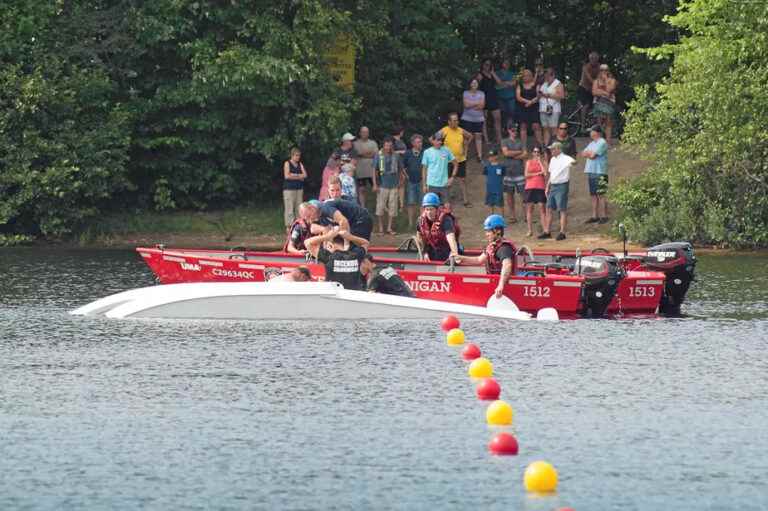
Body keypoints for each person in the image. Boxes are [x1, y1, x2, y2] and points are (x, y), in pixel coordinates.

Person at [454, 214, 516, 298]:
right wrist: (460, 258)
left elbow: (507, 265)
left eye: (489, 231)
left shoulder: (504, 248)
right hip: (493, 283)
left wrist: (501, 285)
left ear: (498, 231)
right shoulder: (492, 246)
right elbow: (479, 260)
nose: (486, 234)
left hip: (503, 288)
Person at [304, 226, 369, 290]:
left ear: (330, 245)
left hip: (335, 297)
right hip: (353, 297)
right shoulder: (356, 255)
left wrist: (327, 236)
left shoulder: (328, 257)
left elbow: (307, 242)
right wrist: (350, 237)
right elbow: (365, 243)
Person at [541, 142, 575, 240]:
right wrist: (548, 186)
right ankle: (547, 231)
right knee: (549, 208)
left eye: (553, 149)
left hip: (562, 185)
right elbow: (552, 174)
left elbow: (574, 162)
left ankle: (562, 232)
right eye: (551, 149)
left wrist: (567, 165)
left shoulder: (565, 158)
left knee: (562, 209)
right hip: (554, 185)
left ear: (559, 149)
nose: (551, 151)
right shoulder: (552, 159)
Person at [299, 197, 374, 241]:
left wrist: (346, 245)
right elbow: (324, 232)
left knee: (352, 245)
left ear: (312, 208)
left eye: (309, 216)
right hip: (353, 222)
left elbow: (343, 221)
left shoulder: (325, 208)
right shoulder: (318, 216)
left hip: (362, 218)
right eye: (307, 219)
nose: (309, 220)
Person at [415, 192, 461, 262]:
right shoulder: (420, 220)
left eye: (431, 209)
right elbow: (420, 238)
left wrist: (454, 253)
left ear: (437, 209)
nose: (429, 212)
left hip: (447, 250)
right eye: (427, 209)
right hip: (432, 250)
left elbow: (450, 237)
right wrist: (425, 252)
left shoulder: (445, 219)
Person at [441, 112, 473, 208]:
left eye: (457, 120)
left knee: (462, 180)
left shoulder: (460, 130)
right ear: (449, 122)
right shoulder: (444, 130)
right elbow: (432, 139)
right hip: (448, 161)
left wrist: (466, 145)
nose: (456, 122)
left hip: (460, 159)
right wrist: (439, 151)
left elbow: (470, 136)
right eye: (454, 120)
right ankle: (446, 201)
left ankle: (466, 201)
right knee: (448, 181)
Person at [373, 137, 404, 235]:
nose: (388, 147)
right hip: (382, 185)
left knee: (393, 207)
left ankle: (389, 228)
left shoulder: (396, 156)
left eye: (390, 145)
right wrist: (374, 184)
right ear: (383, 145)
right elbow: (374, 170)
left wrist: (400, 181)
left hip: (394, 185)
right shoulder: (379, 156)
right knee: (380, 207)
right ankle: (381, 228)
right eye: (386, 145)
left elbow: (400, 169)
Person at [581, 125, 610, 224]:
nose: (590, 133)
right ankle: (595, 216)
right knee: (593, 195)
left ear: (596, 132)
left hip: (600, 172)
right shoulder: (592, 143)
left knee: (601, 194)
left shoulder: (602, 142)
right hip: (591, 171)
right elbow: (582, 153)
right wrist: (589, 153)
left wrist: (589, 153)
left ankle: (604, 216)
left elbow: (593, 156)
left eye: (591, 131)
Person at [501, 121, 527, 224]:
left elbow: (525, 155)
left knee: (523, 194)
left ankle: (526, 215)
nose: (514, 132)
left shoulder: (521, 142)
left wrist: (512, 155)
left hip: (519, 171)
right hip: (508, 172)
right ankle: (512, 215)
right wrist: (519, 152)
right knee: (509, 194)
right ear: (508, 131)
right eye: (512, 130)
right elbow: (505, 153)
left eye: (516, 130)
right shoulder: (504, 141)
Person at [421, 131, 457, 200]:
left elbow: (456, 164)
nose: (440, 142)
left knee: (446, 207)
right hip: (431, 184)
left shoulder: (446, 150)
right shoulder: (427, 152)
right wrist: (424, 185)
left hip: (444, 184)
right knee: (432, 206)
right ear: (433, 141)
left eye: (441, 140)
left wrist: (452, 178)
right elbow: (424, 170)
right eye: (438, 140)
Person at [476, 59, 502, 145]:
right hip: (484, 98)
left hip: (493, 97)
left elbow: (499, 83)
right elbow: (476, 87)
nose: (487, 66)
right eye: (486, 64)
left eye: (489, 65)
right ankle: (487, 140)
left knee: (497, 118)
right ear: (482, 65)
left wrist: (493, 72)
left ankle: (499, 139)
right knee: (484, 120)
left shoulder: (492, 74)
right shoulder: (480, 75)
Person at [524, 146, 548, 237]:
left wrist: (540, 162)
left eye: (538, 152)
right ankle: (530, 230)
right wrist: (537, 173)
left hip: (540, 186)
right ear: (532, 153)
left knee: (542, 208)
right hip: (530, 187)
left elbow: (545, 173)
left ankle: (545, 229)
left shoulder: (544, 162)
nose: (536, 153)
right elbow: (526, 175)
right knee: (530, 208)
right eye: (535, 151)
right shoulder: (529, 162)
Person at [515, 69, 543, 149]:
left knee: (536, 126)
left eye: (528, 75)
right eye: (524, 75)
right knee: (523, 126)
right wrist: (527, 101)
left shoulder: (536, 84)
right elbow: (518, 97)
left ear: (531, 76)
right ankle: (524, 148)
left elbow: (538, 96)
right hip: (523, 108)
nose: (526, 77)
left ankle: (539, 146)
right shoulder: (519, 85)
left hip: (534, 107)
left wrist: (531, 102)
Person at [538, 67, 565, 146]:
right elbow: (540, 94)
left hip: (553, 109)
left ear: (553, 75)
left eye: (548, 76)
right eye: (545, 76)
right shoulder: (544, 83)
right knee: (545, 128)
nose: (546, 78)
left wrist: (549, 95)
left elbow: (561, 96)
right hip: (543, 109)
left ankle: (555, 147)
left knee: (553, 129)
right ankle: (546, 147)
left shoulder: (558, 83)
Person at [460, 78, 485, 161]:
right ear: (470, 84)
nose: (474, 84)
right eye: (473, 83)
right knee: (466, 137)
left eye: (476, 83)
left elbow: (482, 106)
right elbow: (466, 105)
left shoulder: (482, 93)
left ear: (478, 84)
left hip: (479, 119)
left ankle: (479, 156)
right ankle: (464, 155)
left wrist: (471, 104)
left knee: (478, 137)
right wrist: (477, 103)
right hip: (467, 119)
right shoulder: (465, 93)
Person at [592, 64, 618, 144]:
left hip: (609, 103)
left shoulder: (612, 80)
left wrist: (606, 80)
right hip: (598, 103)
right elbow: (594, 92)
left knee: (608, 122)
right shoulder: (596, 81)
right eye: (602, 70)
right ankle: (599, 141)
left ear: (608, 71)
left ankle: (608, 140)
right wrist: (604, 92)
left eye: (605, 70)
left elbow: (609, 90)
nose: (603, 71)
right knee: (599, 122)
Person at [403, 134, 424, 228]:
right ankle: (410, 223)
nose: (420, 144)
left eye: (421, 142)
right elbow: (403, 166)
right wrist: (406, 175)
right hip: (411, 181)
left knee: (421, 202)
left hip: (422, 181)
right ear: (413, 143)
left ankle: (421, 223)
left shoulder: (424, 153)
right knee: (411, 203)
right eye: (418, 142)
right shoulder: (407, 153)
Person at [282, 147, 307, 228]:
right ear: (292, 155)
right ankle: (289, 226)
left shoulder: (300, 164)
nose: (298, 157)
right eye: (296, 155)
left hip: (299, 189)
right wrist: (299, 176)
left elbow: (305, 175)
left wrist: (293, 175)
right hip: (289, 189)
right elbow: (287, 176)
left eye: (299, 155)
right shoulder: (287, 163)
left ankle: (298, 225)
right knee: (289, 208)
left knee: (299, 208)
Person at [353, 127, 377, 206]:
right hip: (360, 171)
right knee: (361, 189)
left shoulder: (373, 143)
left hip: (372, 170)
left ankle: (380, 204)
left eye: (366, 132)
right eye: (363, 132)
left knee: (376, 188)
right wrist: (369, 154)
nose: (364, 134)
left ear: (368, 133)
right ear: (360, 133)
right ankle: (363, 206)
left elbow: (376, 154)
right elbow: (356, 154)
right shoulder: (355, 144)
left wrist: (362, 154)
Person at [578, 52, 601, 133]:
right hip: (584, 88)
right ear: (590, 59)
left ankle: (598, 126)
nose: (594, 61)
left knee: (597, 105)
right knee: (586, 105)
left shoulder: (598, 67)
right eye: (592, 59)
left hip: (592, 88)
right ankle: (583, 127)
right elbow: (590, 79)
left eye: (596, 59)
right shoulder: (586, 67)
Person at [495, 58, 518, 132]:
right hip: (500, 97)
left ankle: (511, 130)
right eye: (505, 63)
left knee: (511, 113)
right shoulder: (497, 73)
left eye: (508, 63)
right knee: (503, 114)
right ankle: (504, 129)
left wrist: (502, 83)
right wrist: (507, 83)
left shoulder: (512, 73)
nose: (507, 64)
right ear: (502, 64)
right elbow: (496, 86)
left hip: (511, 97)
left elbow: (514, 84)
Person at [482, 148, 506, 216]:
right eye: (489, 156)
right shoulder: (487, 166)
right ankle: (491, 217)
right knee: (490, 203)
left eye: (492, 156)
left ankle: (501, 218)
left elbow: (504, 176)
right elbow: (486, 175)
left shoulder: (501, 166)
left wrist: (501, 184)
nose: (491, 158)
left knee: (500, 204)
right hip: (490, 188)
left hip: (498, 188)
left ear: (496, 156)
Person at [392, 126, 408, 210]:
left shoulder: (400, 141)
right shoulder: (392, 141)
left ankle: (401, 204)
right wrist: (400, 152)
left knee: (402, 184)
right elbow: (388, 151)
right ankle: (395, 203)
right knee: (397, 184)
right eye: (402, 131)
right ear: (400, 132)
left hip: (402, 165)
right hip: (395, 166)